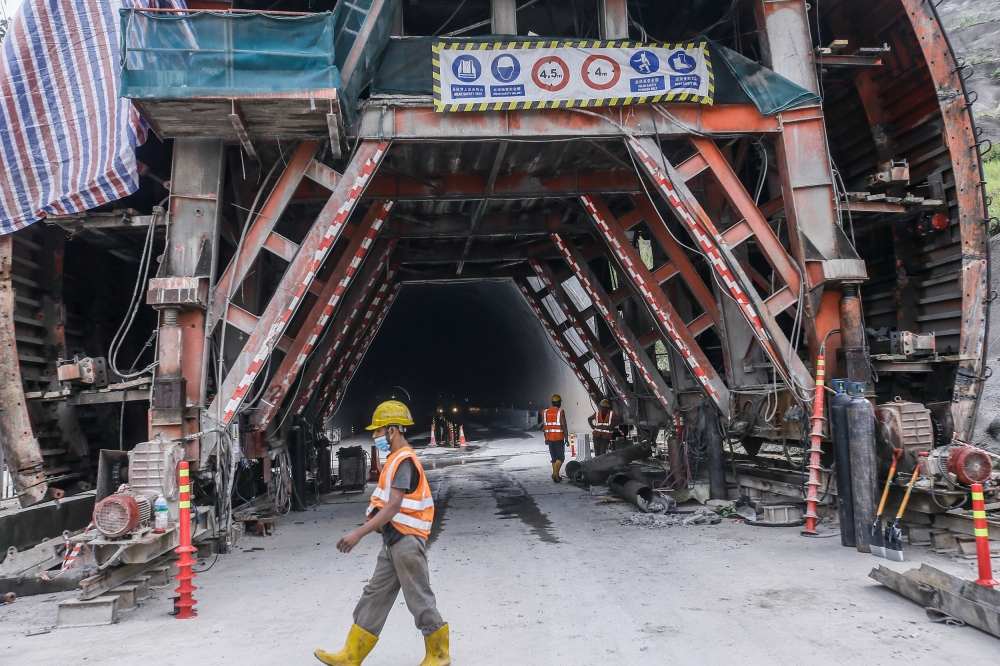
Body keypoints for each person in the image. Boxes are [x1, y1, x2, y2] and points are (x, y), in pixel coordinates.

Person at [315, 400, 449, 666]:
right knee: (374, 594)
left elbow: (393, 507)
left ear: (391, 431)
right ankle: (352, 654)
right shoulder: (394, 460)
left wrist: (359, 533)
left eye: (377, 431)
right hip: (394, 541)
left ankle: (438, 654)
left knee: (418, 597)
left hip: (407, 540)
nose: (374, 436)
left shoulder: (403, 461)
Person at [541, 394, 568, 482]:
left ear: (552, 402)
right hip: (558, 438)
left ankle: (556, 475)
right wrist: (567, 439)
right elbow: (564, 426)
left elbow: (545, 426)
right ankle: (555, 474)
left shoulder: (545, 412)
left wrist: (546, 438)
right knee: (560, 457)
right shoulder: (560, 412)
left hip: (549, 438)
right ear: (559, 402)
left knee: (554, 457)